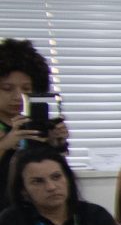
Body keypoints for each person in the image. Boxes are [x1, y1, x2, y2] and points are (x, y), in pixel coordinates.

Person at [0, 37, 72, 205]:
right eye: (7, 88)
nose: (18, 96)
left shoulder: (37, 124)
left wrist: (56, 145)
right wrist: (5, 144)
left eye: (26, 89)